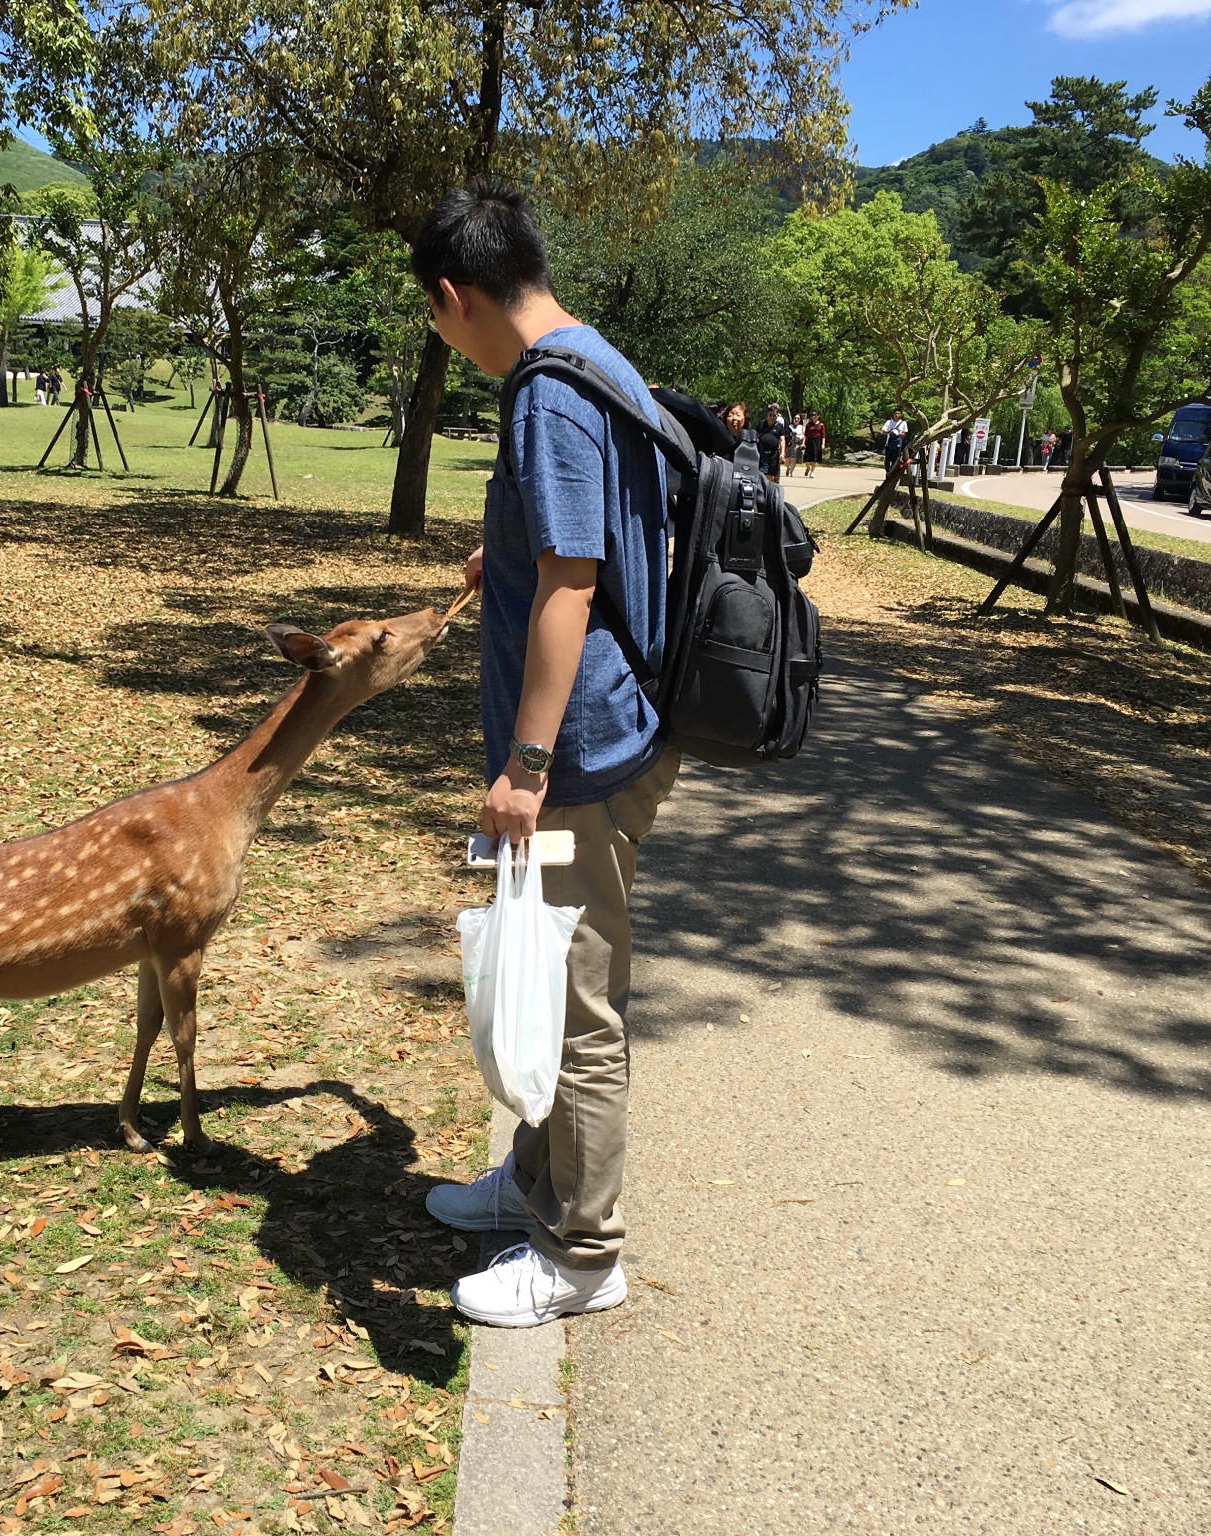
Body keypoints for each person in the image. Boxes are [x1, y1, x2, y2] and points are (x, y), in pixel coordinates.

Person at [415, 179, 680, 1329]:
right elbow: (583, 542)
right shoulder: (594, 361)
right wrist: (503, 553)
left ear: (452, 296)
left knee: (575, 1005)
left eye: (432, 318)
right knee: (550, 973)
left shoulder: (544, 396)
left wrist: (522, 770)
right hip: (607, 733)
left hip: (576, 751)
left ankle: (583, 1257)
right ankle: (531, 1187)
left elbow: (574, 582)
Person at [759, 403, 796, 481]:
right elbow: (755, 436)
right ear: (767, 415)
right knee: (761, 473)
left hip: (773, 454)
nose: (772, 417)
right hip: (761, 452)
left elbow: (782, 439)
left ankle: (768, 489)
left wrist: (783, 452)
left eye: (774, 415)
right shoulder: (761, 424)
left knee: (770, 474)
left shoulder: (779, 426)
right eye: (770, 415)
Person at [883, 410, 909, 476]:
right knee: (887, 459)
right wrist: (889, 432)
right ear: (893, 414)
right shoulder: (889, 422)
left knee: (895, 459)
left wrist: (900, 434)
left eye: (898, 414)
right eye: (895, 413)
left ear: (900, 415)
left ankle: (892, 472)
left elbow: (905, 433)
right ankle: (888, 471)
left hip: (898, 443)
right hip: (889, 442)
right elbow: (884, 432)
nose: (897, 415)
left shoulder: (903, 423)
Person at [803, 410, 826, 476]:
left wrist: (823, 444)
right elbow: (805, 435)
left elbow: (823, 436)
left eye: (815, 415)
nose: (813, 416)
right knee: (807, 458)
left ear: (818, 416)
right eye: (812, 415)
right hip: (809, 441)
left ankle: (812, 472)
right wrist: (803, 443)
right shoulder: (809, 425)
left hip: (817, 441)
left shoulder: (821, 425)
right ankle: (808, 467)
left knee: (814, 457)